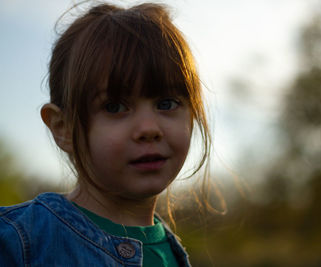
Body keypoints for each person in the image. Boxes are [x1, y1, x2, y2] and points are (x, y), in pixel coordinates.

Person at [0, 2, 212, 266]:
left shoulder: (173, 255)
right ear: (62, 128)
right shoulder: (18, 242)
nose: (148, 129)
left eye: (166, 103)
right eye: (115, 107)